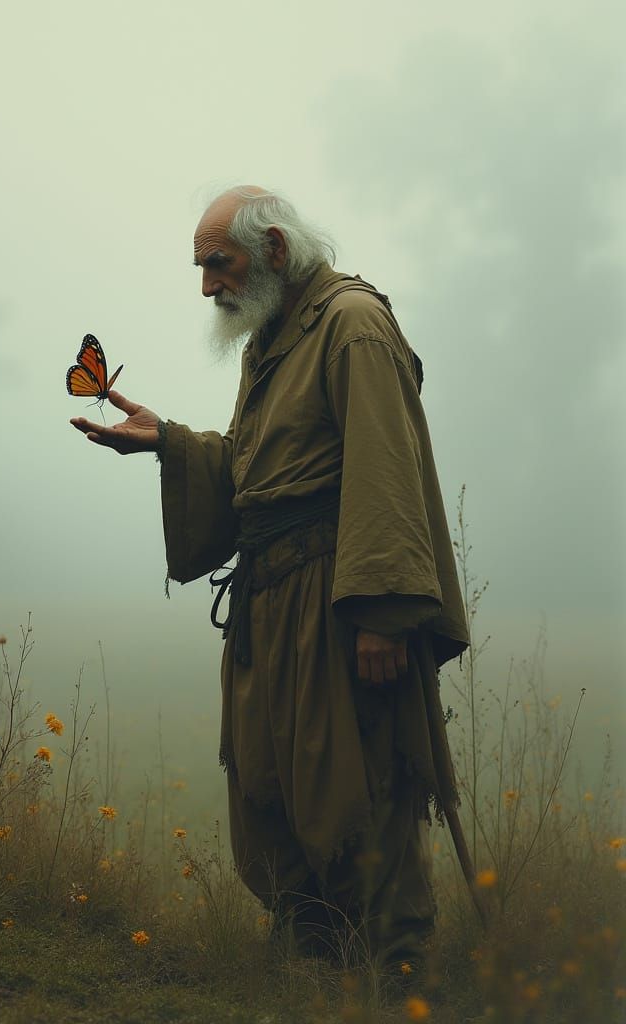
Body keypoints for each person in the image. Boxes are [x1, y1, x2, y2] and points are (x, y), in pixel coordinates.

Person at [70, 185, 469, 970]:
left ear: (276, 250)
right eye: (201, 268)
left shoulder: (351, 326)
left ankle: (396, 976)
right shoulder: (276, 334)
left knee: (357, 789)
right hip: (272, 606)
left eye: (218, 264)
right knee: (270, 785)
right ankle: (311, 967)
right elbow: (267, 475)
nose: (207, 286)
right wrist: (172, 443)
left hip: (342, 607)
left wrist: (385, 614)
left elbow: (383, 472)